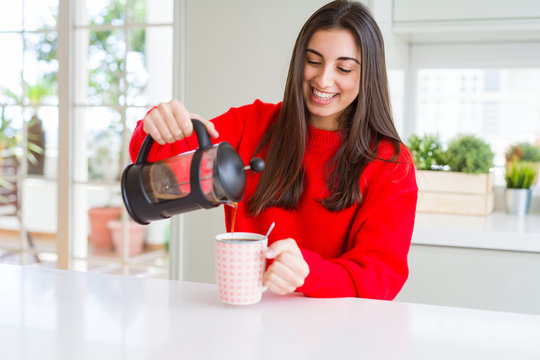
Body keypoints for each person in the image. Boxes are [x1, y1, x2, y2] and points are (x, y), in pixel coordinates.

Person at [129, 0, 418, 300]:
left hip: (337, 334)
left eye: (343, 68)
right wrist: (154, 127)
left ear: (367, 75)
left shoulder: (391, 163)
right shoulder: (251, 124)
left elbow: (381, 280)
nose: (323, 79)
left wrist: (308, 273)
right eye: (314, 61)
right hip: (247, 318)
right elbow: (154, 160)